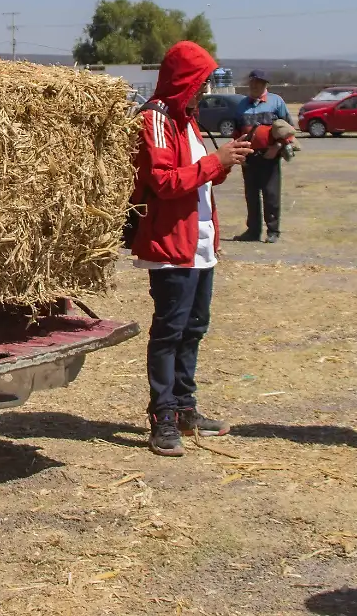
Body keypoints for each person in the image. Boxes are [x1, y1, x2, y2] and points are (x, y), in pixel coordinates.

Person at [129, 40, 257, 457]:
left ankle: (185, 406)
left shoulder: (187, 120)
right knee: (169, 330)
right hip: (171, 243)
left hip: (201, 242)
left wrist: (227, 160)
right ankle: (162, 416)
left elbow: (200, 175)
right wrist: (214, 162)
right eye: (200, 80)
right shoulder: (155, 119)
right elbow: (164, 182)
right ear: (184, 78)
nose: (204, 89)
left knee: (194, 327)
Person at [236, 70, 292, 242]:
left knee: (271, 195)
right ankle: (253, 231)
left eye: (259, 82)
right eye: (252, 82)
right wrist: (239, 154)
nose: (255, 86)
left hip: (270, 156)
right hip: (249, 157)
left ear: (265, 84)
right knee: (251, 196)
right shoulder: (241, 105)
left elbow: (288, 128)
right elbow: (237, 132)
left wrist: (277, 146)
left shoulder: (276, 102)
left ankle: (273, 231)